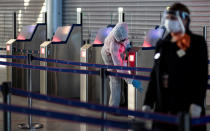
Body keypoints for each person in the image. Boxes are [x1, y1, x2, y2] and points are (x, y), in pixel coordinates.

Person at [142, 3, 208, 131]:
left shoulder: (196, 43)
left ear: (185, 19)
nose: (169, 21)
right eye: (168, 18)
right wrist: (148, 102)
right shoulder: (162, 44)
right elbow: (155, 75)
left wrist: (197, 104)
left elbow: (201, 76)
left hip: (186, 108)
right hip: (163, 108)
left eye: (173, 18)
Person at [101, 22, 142, 107]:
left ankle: (121, 100)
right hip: (108, 55)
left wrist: (128, 46)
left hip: (119, 51)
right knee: (115, 79)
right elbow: (119, 68)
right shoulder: (113, 46)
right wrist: (131, 80)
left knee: (122, 73)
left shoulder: (123, 26)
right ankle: (113, 107)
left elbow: (125, 41)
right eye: (121, 41)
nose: (123, 42)